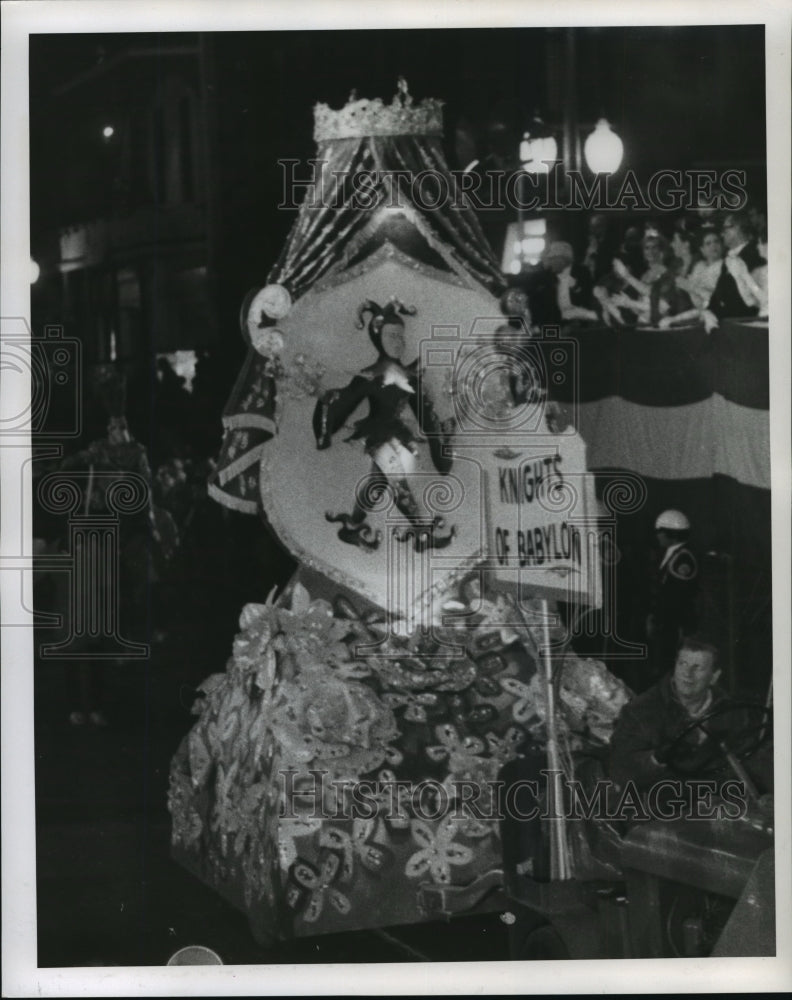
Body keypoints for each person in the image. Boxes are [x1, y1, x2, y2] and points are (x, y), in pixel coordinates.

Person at [609, 636, 757, 794]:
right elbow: (619, 771)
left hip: (717, 801)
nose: (687, 674)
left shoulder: (732, 713)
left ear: (714, 676)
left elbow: (749, 761)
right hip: (661, 806)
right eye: (682, 664)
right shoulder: (639, 711)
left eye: (697, 667)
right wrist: (656, 758)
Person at [646, 509, 699, 679]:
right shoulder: (672, 555)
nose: (658, 536)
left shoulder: (683, 558)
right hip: (666, 624)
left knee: (669, 667)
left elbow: (675, 597)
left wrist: (659, 620)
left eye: (660, 532)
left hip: (674, 626)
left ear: (671, 534)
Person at [533, 241, 599, 325]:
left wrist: (575, 287)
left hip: (579, 322)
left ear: (562, 260)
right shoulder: (548, 275)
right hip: (558, 323)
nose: (550, 263)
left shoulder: (583, 273)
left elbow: (587, 299)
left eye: (553, 259)